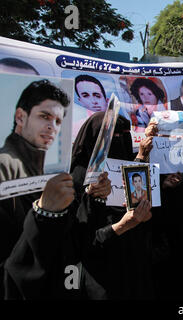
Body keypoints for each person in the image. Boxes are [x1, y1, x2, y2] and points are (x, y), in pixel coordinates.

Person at [0, 79, 89, 299]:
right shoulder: (5, 167)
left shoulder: (47, 168)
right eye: (44, 116)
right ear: (21, 117)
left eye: (58, 121)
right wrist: (44, 212)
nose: (52, 127)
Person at [70, 111, 156, 299]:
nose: (116, 141)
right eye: (111, 137)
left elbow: (127, 178)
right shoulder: (79, 177)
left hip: (133, 263)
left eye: (121, 135)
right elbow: (82, 236)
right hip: (102, 273)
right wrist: (120, 226)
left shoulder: (127, 165)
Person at [73, 74, 109, 139]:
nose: (93, 101)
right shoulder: (76, 128)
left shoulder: (117, 124)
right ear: (80, 101)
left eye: (97, 96)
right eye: (86, 96)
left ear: (107, 101)